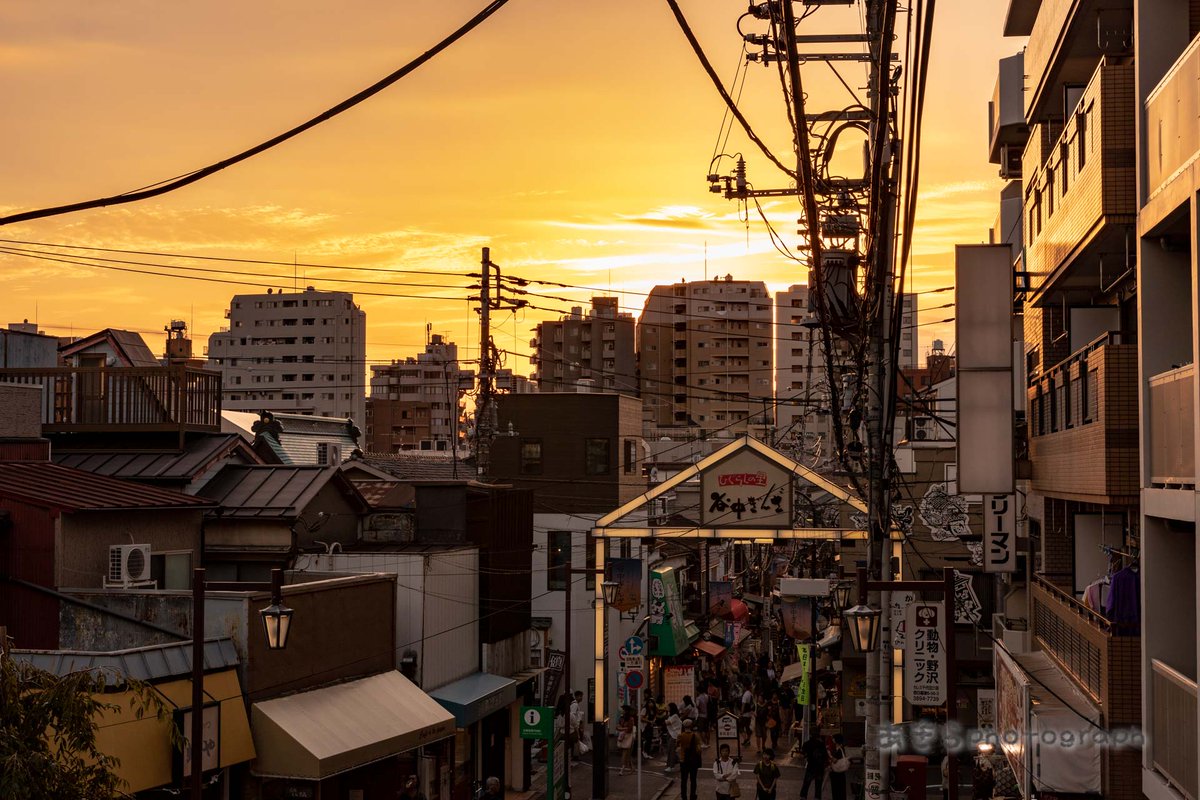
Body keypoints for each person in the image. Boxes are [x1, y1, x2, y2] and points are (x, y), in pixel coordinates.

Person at [677, 719, 703, 800]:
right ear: (691, 726)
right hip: (693, 761)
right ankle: (692, 795)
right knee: (693, 780)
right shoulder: (695, 736)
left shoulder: (680, 736)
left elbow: (677, 745)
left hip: (683, 759)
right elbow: (699, 749)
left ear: (683, 726)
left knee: (683, 780)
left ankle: (683, 796)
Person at [798, 730, 828, 800]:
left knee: (807, 782)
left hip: (811, 766)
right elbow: (825, 755)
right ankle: (817, 797)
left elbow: (803, 755)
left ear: (810, 735)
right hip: (820, 767)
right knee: (818, 783)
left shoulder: (807, 744)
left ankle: (803, 796)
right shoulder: (821, 744)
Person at [828, 734, 849, 800]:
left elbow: (835, 760)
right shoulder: (840, 748)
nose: (832, 740)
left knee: (837, 790)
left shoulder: (839, 749)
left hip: (837, 774)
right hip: (840, 773)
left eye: (833, 738)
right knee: (840, 790)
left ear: (836, 740)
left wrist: (829, 754)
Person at [665, 703, 683, 771]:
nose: (667, 708)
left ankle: (671, 766)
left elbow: (668, 722)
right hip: (671, 734)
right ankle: (680, 762)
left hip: (674, 735)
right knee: (671, 750)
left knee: (671, 750)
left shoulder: (675, 716)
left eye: (668, 707)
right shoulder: (671, 715)